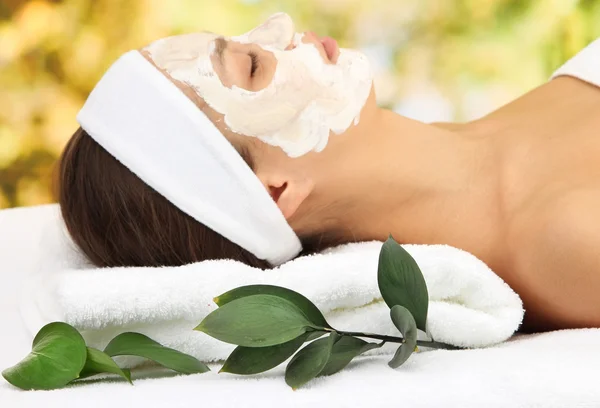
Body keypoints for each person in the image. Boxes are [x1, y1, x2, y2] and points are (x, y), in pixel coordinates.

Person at [57, 13, 600, 332]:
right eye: (252, 65)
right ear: (277, 192)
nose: (282, 26)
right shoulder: (567, 240)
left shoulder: (505, 130)